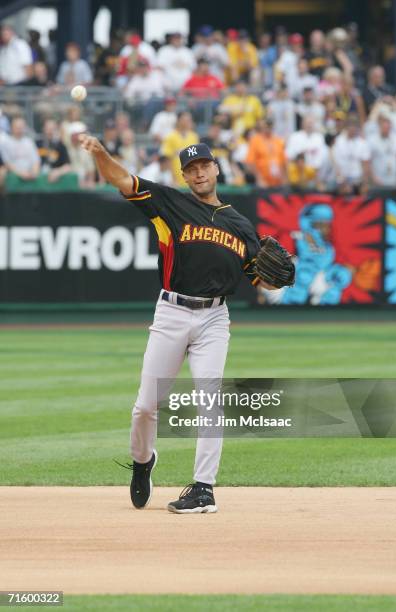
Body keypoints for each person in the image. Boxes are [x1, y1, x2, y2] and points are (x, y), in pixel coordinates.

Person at [78, 134, 276, 513]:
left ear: (216, 168)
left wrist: (275, 281)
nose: (199, 173)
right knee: (145, 408)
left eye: (204, 165)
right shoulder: (171, 203)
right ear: (184, 176)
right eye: (191, 169)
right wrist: (102, 154)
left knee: (209, 402)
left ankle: (204, 489)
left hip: (215, 318)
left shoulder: (240, 224)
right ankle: (142, 461)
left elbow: (260, 278)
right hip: (171, 312)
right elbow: (122, 179)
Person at [332, 115, 371, 194]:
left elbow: (366, 164)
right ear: (346, 127)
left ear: (358, 128)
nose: (352, 128)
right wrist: (343, 181)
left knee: (365, 190)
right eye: (350, 125)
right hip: (342, 180)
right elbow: (335, 163)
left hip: (358, 180)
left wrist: (364, 182)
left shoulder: (362, 143)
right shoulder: (339, 141)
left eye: (355, 126)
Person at [160, 111, 199, 185]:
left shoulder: (194, 136)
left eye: (189, 120)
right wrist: (171, 178)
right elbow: (166, 159)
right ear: (178, 121)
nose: (188, 122)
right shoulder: (170, 137)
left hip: (191, 180)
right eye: (186, 120)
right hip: (175, 181)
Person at [245, 118, 287, 187]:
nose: (268, 128)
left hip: (278, 183)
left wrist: (285, 179)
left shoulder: (278, 141)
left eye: (270, 126)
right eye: (266, 126)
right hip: (263, 183)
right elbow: (250, 162)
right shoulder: (255, 140)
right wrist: (259, 178)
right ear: (262, 126)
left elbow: (283, 162)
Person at [367, 112, 396, 189]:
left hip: (394, 180)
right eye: (384, 125)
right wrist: (373, 178)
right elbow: (367, 161)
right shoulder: (371, 140)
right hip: (378, 180)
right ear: (380, 125)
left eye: (388, 125)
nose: (386, 127)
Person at [1, 116, 40, 181]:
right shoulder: (5, 143)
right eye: (17, 127)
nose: (20, 130)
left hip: (30, 174)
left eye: (21, 127)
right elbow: (7, 163)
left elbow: (36, 161)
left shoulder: (29, 142)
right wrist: (22, 174)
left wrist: (34, 173)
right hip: (13, 176)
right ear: (12, 127)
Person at [36, 118, 71, 183]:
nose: (50, 131)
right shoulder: (37, 144)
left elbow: (68, 166)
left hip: (56, 180)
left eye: (52, 129)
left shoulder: (60, 145)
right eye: (48, 128)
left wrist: (58, 172)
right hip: (38, 179)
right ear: (43, 129)